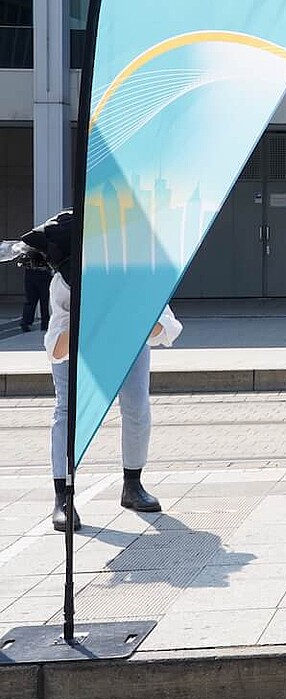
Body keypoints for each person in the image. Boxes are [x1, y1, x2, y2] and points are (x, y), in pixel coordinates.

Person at [23, 210, 181, 533]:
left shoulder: (137, 274)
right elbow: (56, 349)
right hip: (80, 349)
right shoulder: (65, 284)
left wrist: (129, 317)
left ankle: (132, 484)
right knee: (67, 410)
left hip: (127, 342)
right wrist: (90, 318)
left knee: (137, 406)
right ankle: (62, 498)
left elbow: (166, 328)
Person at [20, 264, 50, 334]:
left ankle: (26, 321)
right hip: (43, 272)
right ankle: (45, 324)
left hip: (32, 271)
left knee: (31, 300)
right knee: (44, 301)